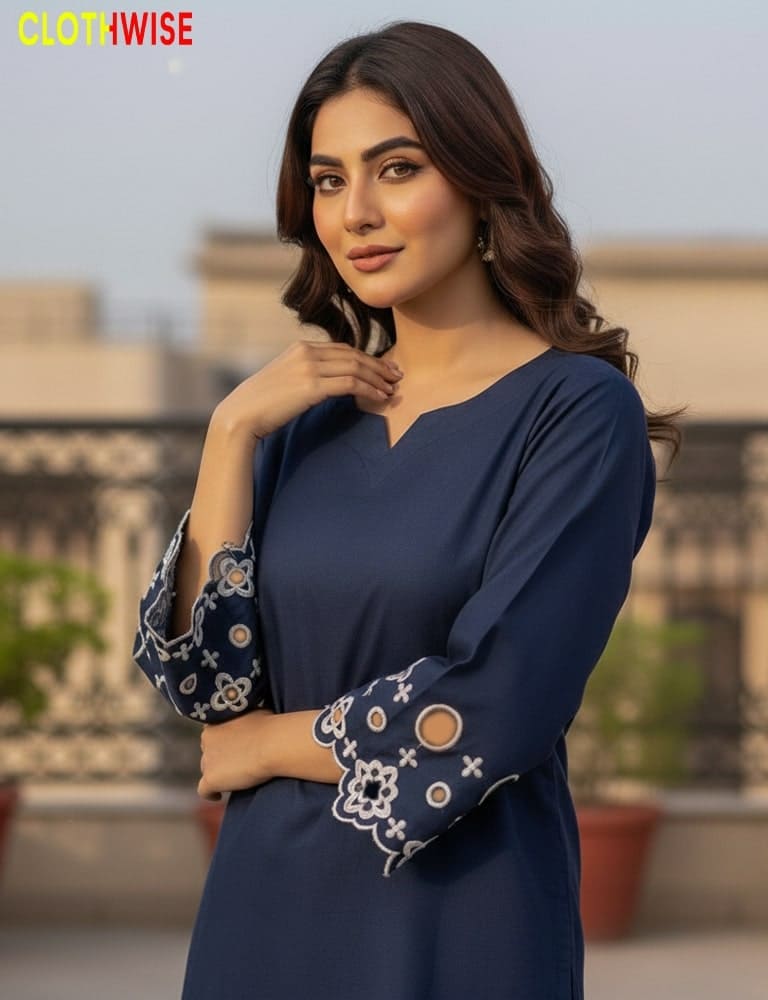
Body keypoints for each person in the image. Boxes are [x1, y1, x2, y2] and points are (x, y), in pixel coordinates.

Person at [132, 20, 684, 1000]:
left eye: (397, 168)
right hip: (261, 911)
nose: (358, 214)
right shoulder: (305, 425)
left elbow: (501, 697)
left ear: (478, 179)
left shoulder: (578, 412)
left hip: (461, 918)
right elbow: (209, 690)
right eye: (330, 180)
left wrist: (267, 745)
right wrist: (229, 435)